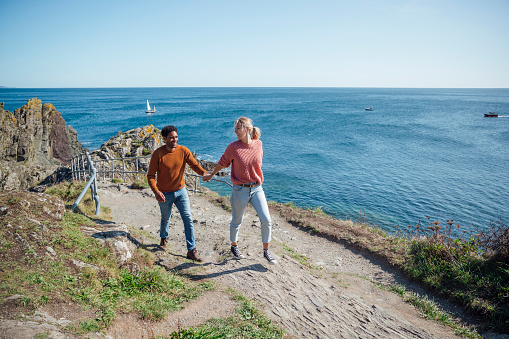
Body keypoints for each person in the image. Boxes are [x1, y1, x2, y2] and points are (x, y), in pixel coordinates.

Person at [203, 117, 276, 264]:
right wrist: (211, 174)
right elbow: (223, 162)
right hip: (239, 190)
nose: (235, 131)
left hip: (257, 188)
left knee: (266, 220)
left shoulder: (259, 144)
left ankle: (266, 251)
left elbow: (257, 164)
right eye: (235, 129)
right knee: (237, 221)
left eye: (238, 128)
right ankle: (234, 246)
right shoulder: (233, 147)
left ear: (247, 129)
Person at [147, 125, 208, 262]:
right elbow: (150, 175)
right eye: (171, 138)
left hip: (181, 192)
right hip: (164, 193)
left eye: (176, 137)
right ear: (164, 139)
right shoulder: (158, 154)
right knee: (165, 218)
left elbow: (194, 165)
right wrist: (156, 191)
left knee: (188, 219)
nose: (175, 140)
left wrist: (204, 173)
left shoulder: (183, 150)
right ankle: (164, 239)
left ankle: (191, 250)